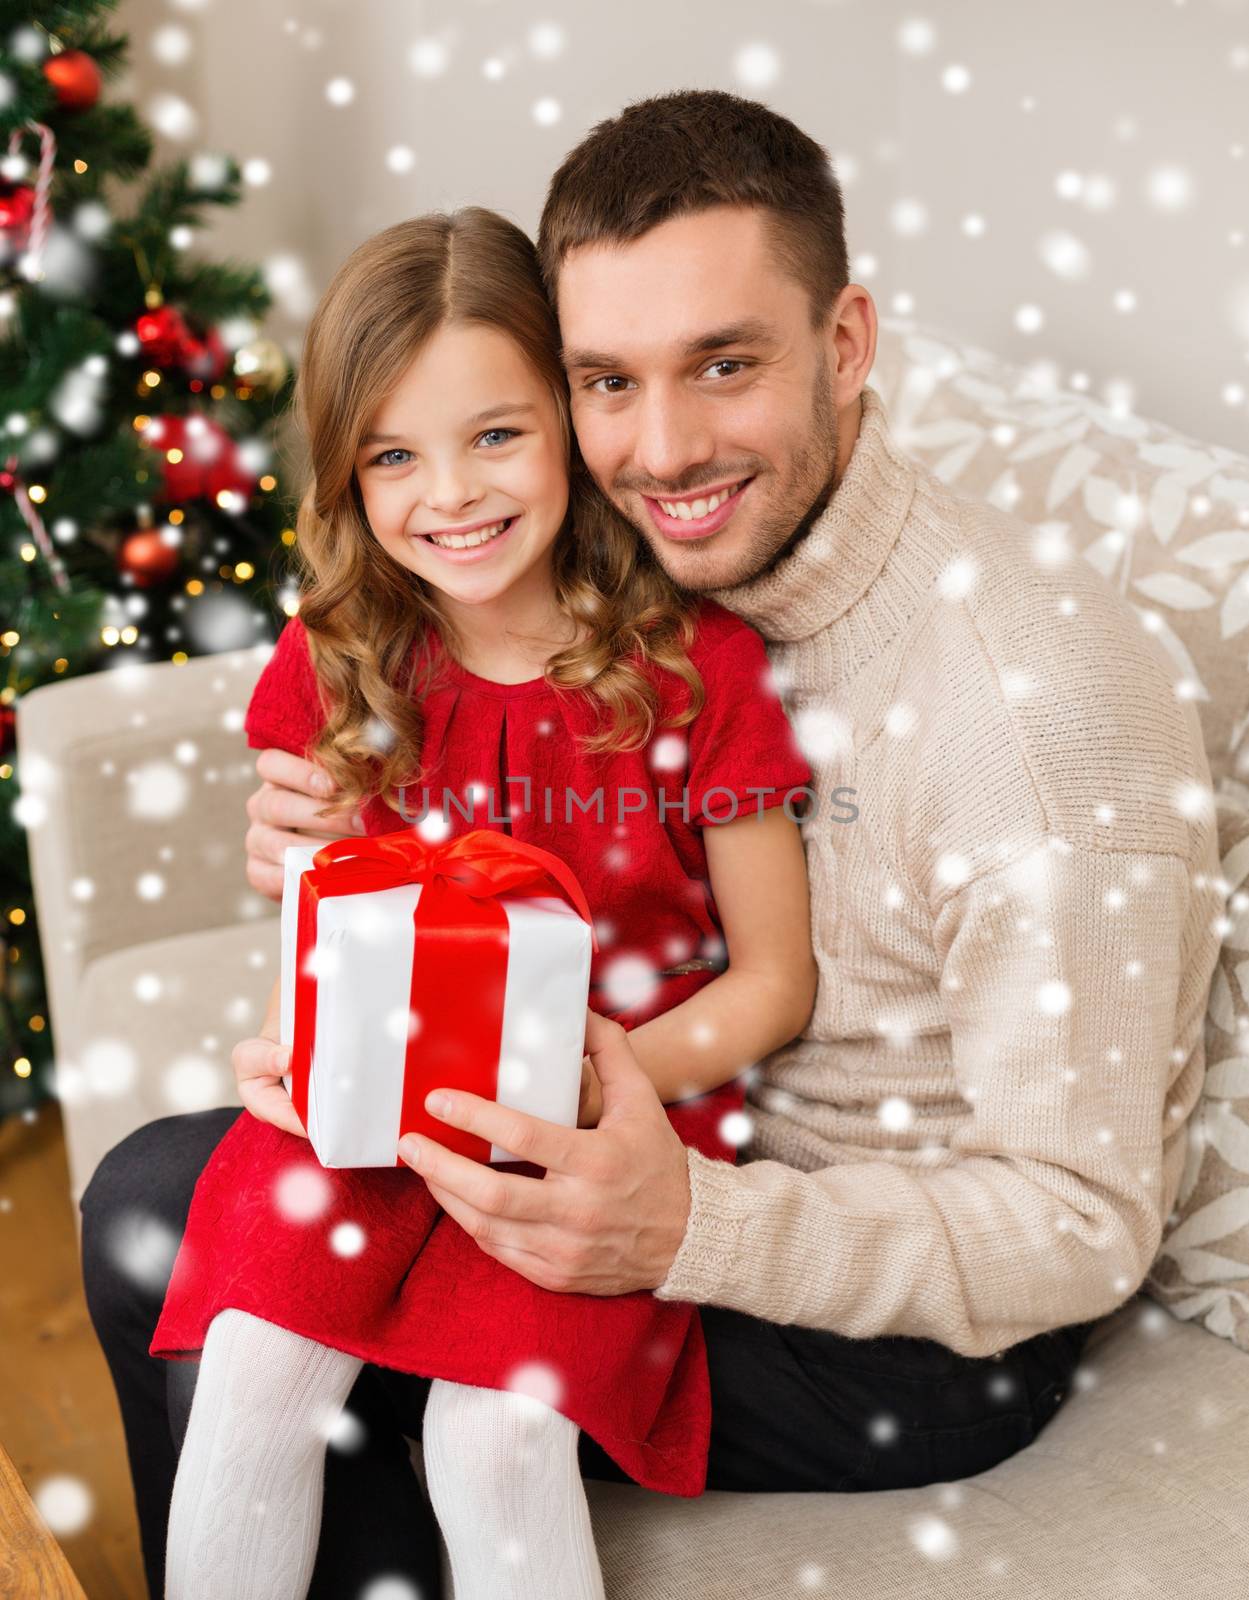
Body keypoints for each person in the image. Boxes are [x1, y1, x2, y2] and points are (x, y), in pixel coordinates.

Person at [80, 89, 1223, 1600]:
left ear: (845, 345)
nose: (661, 446)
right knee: (176, 1211)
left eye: (725, 365)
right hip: (615, 1124)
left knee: (217, 1257)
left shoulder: (1040, 706)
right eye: (607, 380)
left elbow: (1074, 1226)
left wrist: (677, 1224)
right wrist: (331, 868)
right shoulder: (663, 563)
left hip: (881, 1307)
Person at [148, 204, 817, 1600]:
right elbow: (319, 913)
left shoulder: (699, 672)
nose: (449, 494)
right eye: (395, 455)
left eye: (495, 435)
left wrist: (586, 1078)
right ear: (347, 470)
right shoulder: (341, 658)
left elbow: (773, 982)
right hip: (372, 1110)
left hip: (597, 1122)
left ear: (571, 425)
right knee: (253, 1373)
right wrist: (295, 1022)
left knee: (497, 1436)